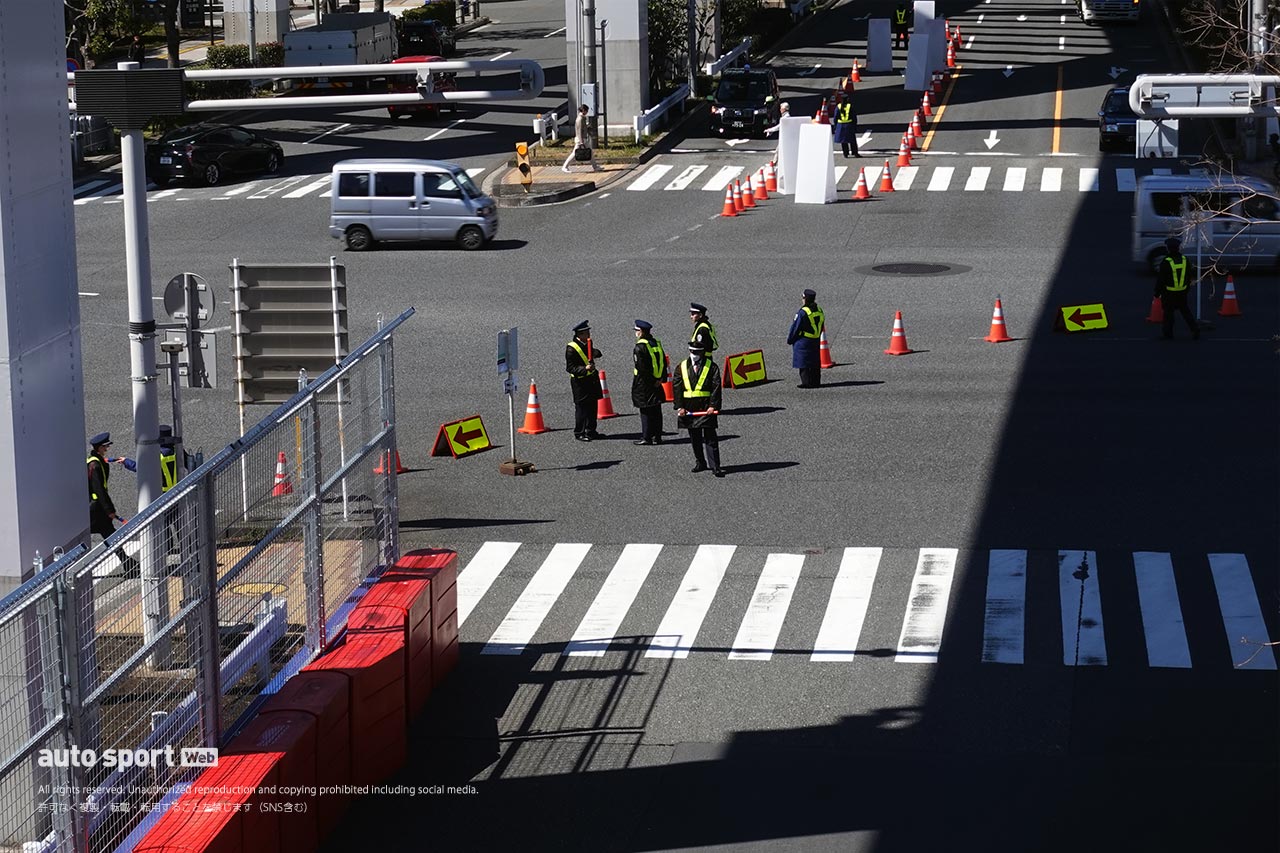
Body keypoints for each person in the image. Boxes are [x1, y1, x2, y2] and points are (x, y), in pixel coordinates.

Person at [673, 342, 725, 477]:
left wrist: (713, 405)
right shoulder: (682, 366)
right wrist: (679, 407)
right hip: (689, 408)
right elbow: (677, 388)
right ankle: (700, 462)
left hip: (706, 407)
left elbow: (716, 387)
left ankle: (715, 466)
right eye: (692, 352)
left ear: (702, 353)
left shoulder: (711, 367)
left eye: (697, 353)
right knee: (695, 438)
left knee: (710, 438)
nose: (694, 355)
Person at [566, 320, 604, 441]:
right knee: (582, 408)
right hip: (580, 382)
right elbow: (570, 368)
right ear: (580, 334)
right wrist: (584, 368)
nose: (588, 334)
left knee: (593, 406)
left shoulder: (586, 344)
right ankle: (580, 432)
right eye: (586, 332)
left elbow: (592, 353)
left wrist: (596, 353)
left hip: (591, 380)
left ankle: (591, 430)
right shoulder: (571, 349)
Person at [1154, 236, 1199, 340]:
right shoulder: (1184, 259)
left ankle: (1168, 334)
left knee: (1168, 314)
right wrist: (1186, 288)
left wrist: (1157, 292)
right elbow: (1189, 275)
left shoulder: (1166, 261)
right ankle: (1195, 329)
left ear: (1168, 249)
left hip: (1169, 293)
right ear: (1178, 248)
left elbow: (1161, 279)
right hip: (1182, 292)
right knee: (1186, 312)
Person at [631, 320, 666, 446]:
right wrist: (660, 379)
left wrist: (652, 382)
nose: (635, 333)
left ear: (640, 332)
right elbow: (663, 362)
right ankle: (658, 436)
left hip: (644, 383)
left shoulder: (640, 347)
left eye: (636, 331)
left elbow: (642, 368)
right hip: (658, 380)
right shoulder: (656, 343)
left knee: (645, 410)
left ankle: (647, 437)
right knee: (656, 409)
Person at [87, 432, 126, 539]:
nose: (107, 449)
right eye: (106, 446)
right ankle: (123, 556)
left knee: (109, 532)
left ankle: (124, 556)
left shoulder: (95, 462)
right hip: (96, 508)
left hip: (97, 507)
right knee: (108, 532)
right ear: (99, 448)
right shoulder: (95, 465)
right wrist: (109, 510)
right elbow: (100, 490)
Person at [787, 288, 825, 387]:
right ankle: (816, 382)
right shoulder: (819, 310)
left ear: (805, 299)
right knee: (815, 362)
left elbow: (795, 327)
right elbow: (821, 324)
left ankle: (806, 383)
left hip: (804, 340)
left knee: (803, 362)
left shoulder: (803, 312)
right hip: (815, 339)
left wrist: (790, 339)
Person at [563, 104, 602, 173]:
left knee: (590, 152)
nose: (587, 112)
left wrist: (587, 127)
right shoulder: (580, 119)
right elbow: (579, 131)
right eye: (586, 111)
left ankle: (595, 166)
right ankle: (565, 167)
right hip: (580, 139)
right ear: (584, 110)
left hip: (582, 139)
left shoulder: (582, 118)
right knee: (575, 153)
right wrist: (581, 142)